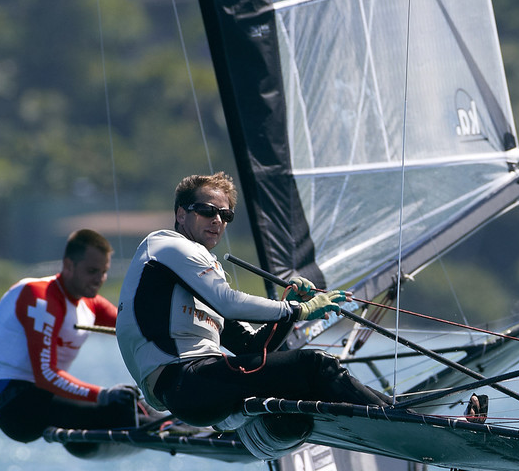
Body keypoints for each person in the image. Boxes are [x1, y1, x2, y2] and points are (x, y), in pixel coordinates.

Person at [116, 171, 390, 428]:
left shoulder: (196, 276)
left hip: (199, 385)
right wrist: (298, 309)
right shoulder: (168, 245)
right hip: (184, 382)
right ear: (181, 214)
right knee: (317, 365)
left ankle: (390, 408)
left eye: (225, 215)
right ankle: (391, 417)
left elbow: (253, 347)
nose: (217, 220)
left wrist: (289, 311)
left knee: (310, 378)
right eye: (207, 210)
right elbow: (228, 302)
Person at [0, 229, 149, 443]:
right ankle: (173, 429)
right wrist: (102, 395)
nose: (99, 279)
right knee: (119, 409)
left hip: (46, 396)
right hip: (14, 405)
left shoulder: (90, 303)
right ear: (69, 266)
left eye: (104, 272)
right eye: (92, 271)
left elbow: (133, 325)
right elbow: (45, 374)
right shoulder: (40, 298)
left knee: (133, 404)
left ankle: (182, 425)